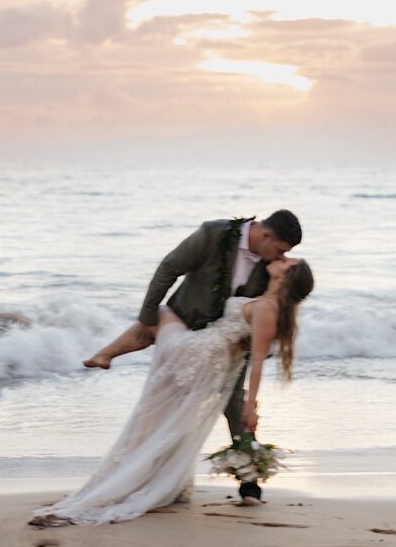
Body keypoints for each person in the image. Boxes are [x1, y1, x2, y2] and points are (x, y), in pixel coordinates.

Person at [30, 254, 314, 526]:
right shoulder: (267, 303)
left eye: (289, 262)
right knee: (166, 419)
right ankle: (154, 475)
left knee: (162, 311)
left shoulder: (266, 307)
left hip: (197, 354)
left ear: (289, 277)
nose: (282, 258)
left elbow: (256, 361)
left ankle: (106, 355)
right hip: (205, 356)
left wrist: (251, 407)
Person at [84, 210, 302, 505]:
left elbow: (272, 310)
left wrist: (255, 338)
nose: (280, 256)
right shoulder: (213, 234)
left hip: (229, 344)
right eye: (280, 249)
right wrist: (147, 316)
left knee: (236, 403)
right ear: (265, 235)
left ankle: (249, 479)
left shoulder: (271, 267)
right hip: (190, 325)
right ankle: (148, 471)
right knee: (166, 397)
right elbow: (168, 268)